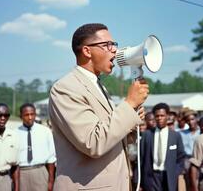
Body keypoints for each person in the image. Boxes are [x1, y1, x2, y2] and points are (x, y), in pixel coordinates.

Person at [48, 23, 149, 191]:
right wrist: (129, 103)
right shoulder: (65, 88)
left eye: (114, 44)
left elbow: (110, 135)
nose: (114, 50)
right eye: (107, 45)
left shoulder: (99, 86)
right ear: (87, 51)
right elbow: (93, 143)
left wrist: (131, 122)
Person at [140, 103, 186, 191]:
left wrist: (175, 172)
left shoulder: (175, 136)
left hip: (169, 177)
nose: (159, 118)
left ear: (167, 116)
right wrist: (139, 180)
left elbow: (181, 157)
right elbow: (141, 159)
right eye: (157, 116)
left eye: (162, 115)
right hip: (151, 178)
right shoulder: (147, 135)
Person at [16, 103, 56, 191]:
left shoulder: (45, 131)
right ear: (20, 116)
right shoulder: (14, 133)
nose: (30, 117)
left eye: (32, 114)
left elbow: (51, 159)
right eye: (26, 115)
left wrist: (51, 181)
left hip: (40, 172)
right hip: (22, 172)